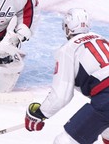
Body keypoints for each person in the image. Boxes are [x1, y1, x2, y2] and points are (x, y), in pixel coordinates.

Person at [24, 8, 109, 143]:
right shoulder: (102, 39)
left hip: (106, 100)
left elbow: (61, 95)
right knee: (106, 130)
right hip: (105, 102)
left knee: (65, 141)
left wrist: (40, 114)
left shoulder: (68, 49)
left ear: (67, 27)